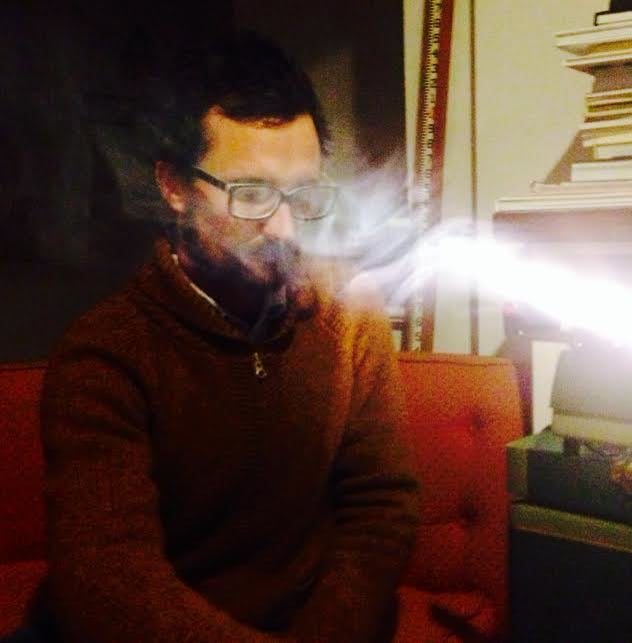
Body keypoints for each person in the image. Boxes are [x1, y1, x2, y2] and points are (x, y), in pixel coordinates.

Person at [29, 31, 419, 643]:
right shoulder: (106, 353)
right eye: (252, 194)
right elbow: (107, 578)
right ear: (174, 185)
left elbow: (380, 506)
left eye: (303, 195)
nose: (285, 230)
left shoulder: (348, 315)